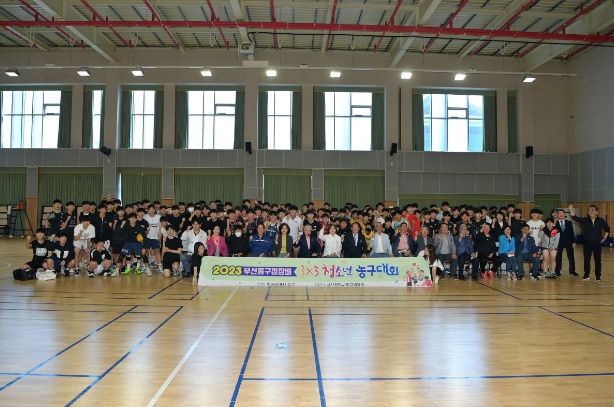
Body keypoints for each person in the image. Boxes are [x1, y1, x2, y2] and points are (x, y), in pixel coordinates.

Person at [569, 204, 610, 283]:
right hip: (587, 243)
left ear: (597, 212)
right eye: (589, 210)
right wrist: (571, 210)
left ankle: (598, 277)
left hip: (597, 244)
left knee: (597, 260)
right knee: (586, 260)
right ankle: (586, 275)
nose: (590, 211)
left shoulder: (601, 220)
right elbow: (575, 217)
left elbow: (607, 229)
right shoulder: (585, 220)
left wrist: (604, 238)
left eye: (592, 210)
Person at [554, 208, 578, 276]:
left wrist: (574, 242)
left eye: (562, 213)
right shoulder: (555, 223)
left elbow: (572, 232)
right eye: (559, 213)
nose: (561, 214)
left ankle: (572, 271)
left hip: (569, 242)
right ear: (557, 215)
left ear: (564, 214)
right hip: (558, 243)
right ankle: (557, 271)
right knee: (558, 257)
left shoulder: (569, 222)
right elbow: (553, 233)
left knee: (571, 257)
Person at [143, 204, 162, 272]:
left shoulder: (159, 217)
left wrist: (159, 236)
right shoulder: (145, 216)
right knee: (146, 251)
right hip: (147, 237)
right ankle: (146, 266)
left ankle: (160, 265)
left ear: (155, 210)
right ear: (147, 210)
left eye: (153, 209)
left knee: (157, 251)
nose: (151, 210)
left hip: (155, 237)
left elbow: (160, 228)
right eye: (150, 209)